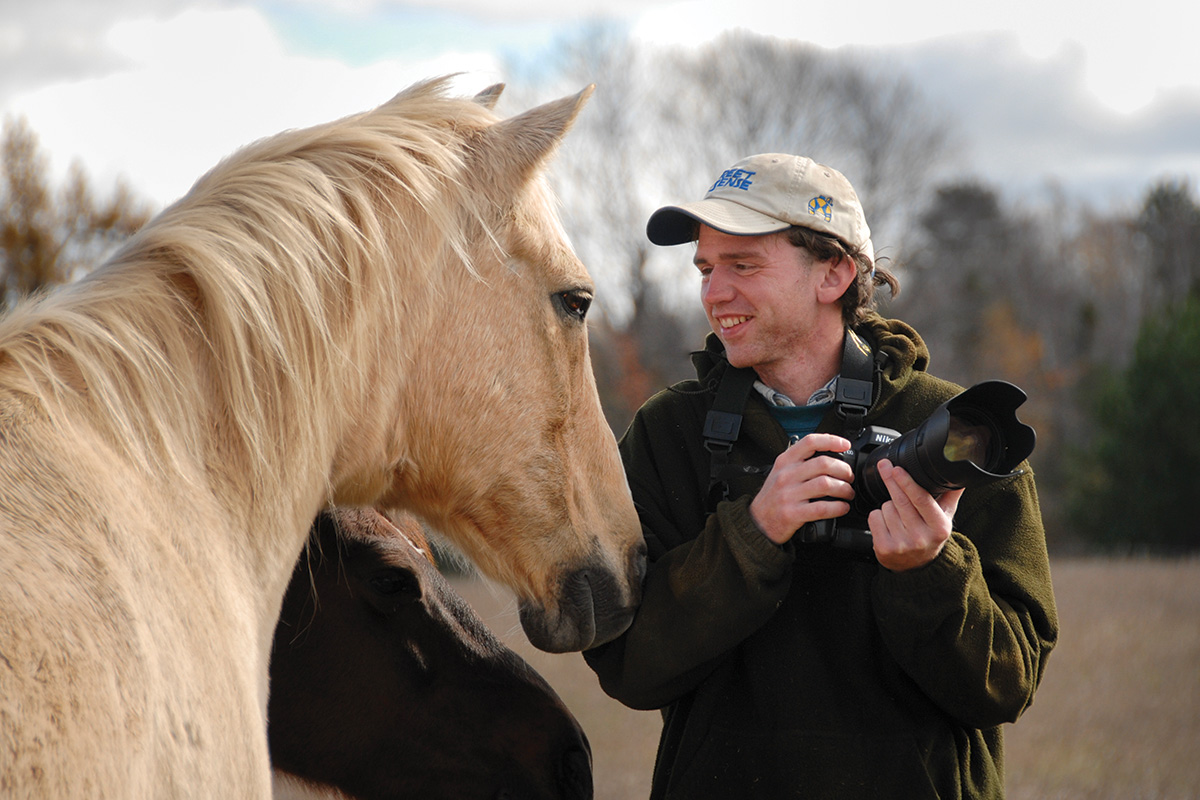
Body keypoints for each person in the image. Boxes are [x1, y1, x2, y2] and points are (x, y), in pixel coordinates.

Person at [583, 153, 1058, 799]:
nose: (713, 293)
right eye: (705, 268)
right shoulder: (669, 433)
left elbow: (1006, 686)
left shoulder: (961, 434)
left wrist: (930, 571)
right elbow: (630, 668)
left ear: (833, 273)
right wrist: (753, 534)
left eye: (742, 266)